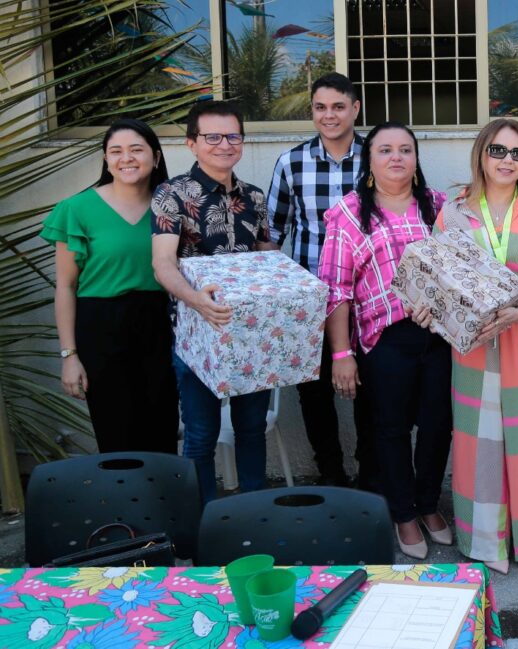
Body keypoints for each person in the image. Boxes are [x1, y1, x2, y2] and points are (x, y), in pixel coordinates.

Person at [436, 118, 518, 574]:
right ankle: (484, 541)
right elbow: (438, 277)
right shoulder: (454, 212)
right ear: (481, 153)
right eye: (498, 150)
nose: (507, 160)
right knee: (478, 441)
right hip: (473, 342)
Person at [319, 121, 453, 561]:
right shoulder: (349, 213)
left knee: (437, 425)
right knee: (390, 430)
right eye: (385, 150)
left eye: (405, 149)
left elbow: (462, 268)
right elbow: (336, 289)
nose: (396, 157)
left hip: (440, 336)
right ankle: (403, 513)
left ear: (416, 159)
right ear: (370, 161)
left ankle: (428, 503)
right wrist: (342, 353)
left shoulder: (438, 207)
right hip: (384, 340)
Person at [151, 101, 279, 504]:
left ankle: (254, 513)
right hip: (196, 333)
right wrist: (197, 301)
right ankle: (205, 520)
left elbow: (268, 256)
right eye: (212, 137)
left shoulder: (254, 197)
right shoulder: (171, 194)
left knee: (251, 429)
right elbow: (162, 264)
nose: (224, 144)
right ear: (192, 143)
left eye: (233, 135)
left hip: (250, 333)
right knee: (201, 433)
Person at [41, 118, 178, 452]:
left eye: (136, 150)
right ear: (106, 159)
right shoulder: (77, 209)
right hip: (100, 329)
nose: (126, 158)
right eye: (115, 151)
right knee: (116, 435)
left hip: (161, 328)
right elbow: (65, 287)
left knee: (163, 431)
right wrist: (69, 355)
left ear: (156, 157)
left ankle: (164, 489)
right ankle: (121, 489)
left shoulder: (171, 209)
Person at [268, 72, 377, 489]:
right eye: (320, 107)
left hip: (368, 299)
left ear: (355, 109)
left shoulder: (377, 157)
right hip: (311, 302)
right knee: (313, 394)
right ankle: (331, 476)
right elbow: (271, 235)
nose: (329, 116)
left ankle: (370, 476)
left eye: (338, 107)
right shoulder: (291, 163)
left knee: (372, 390)